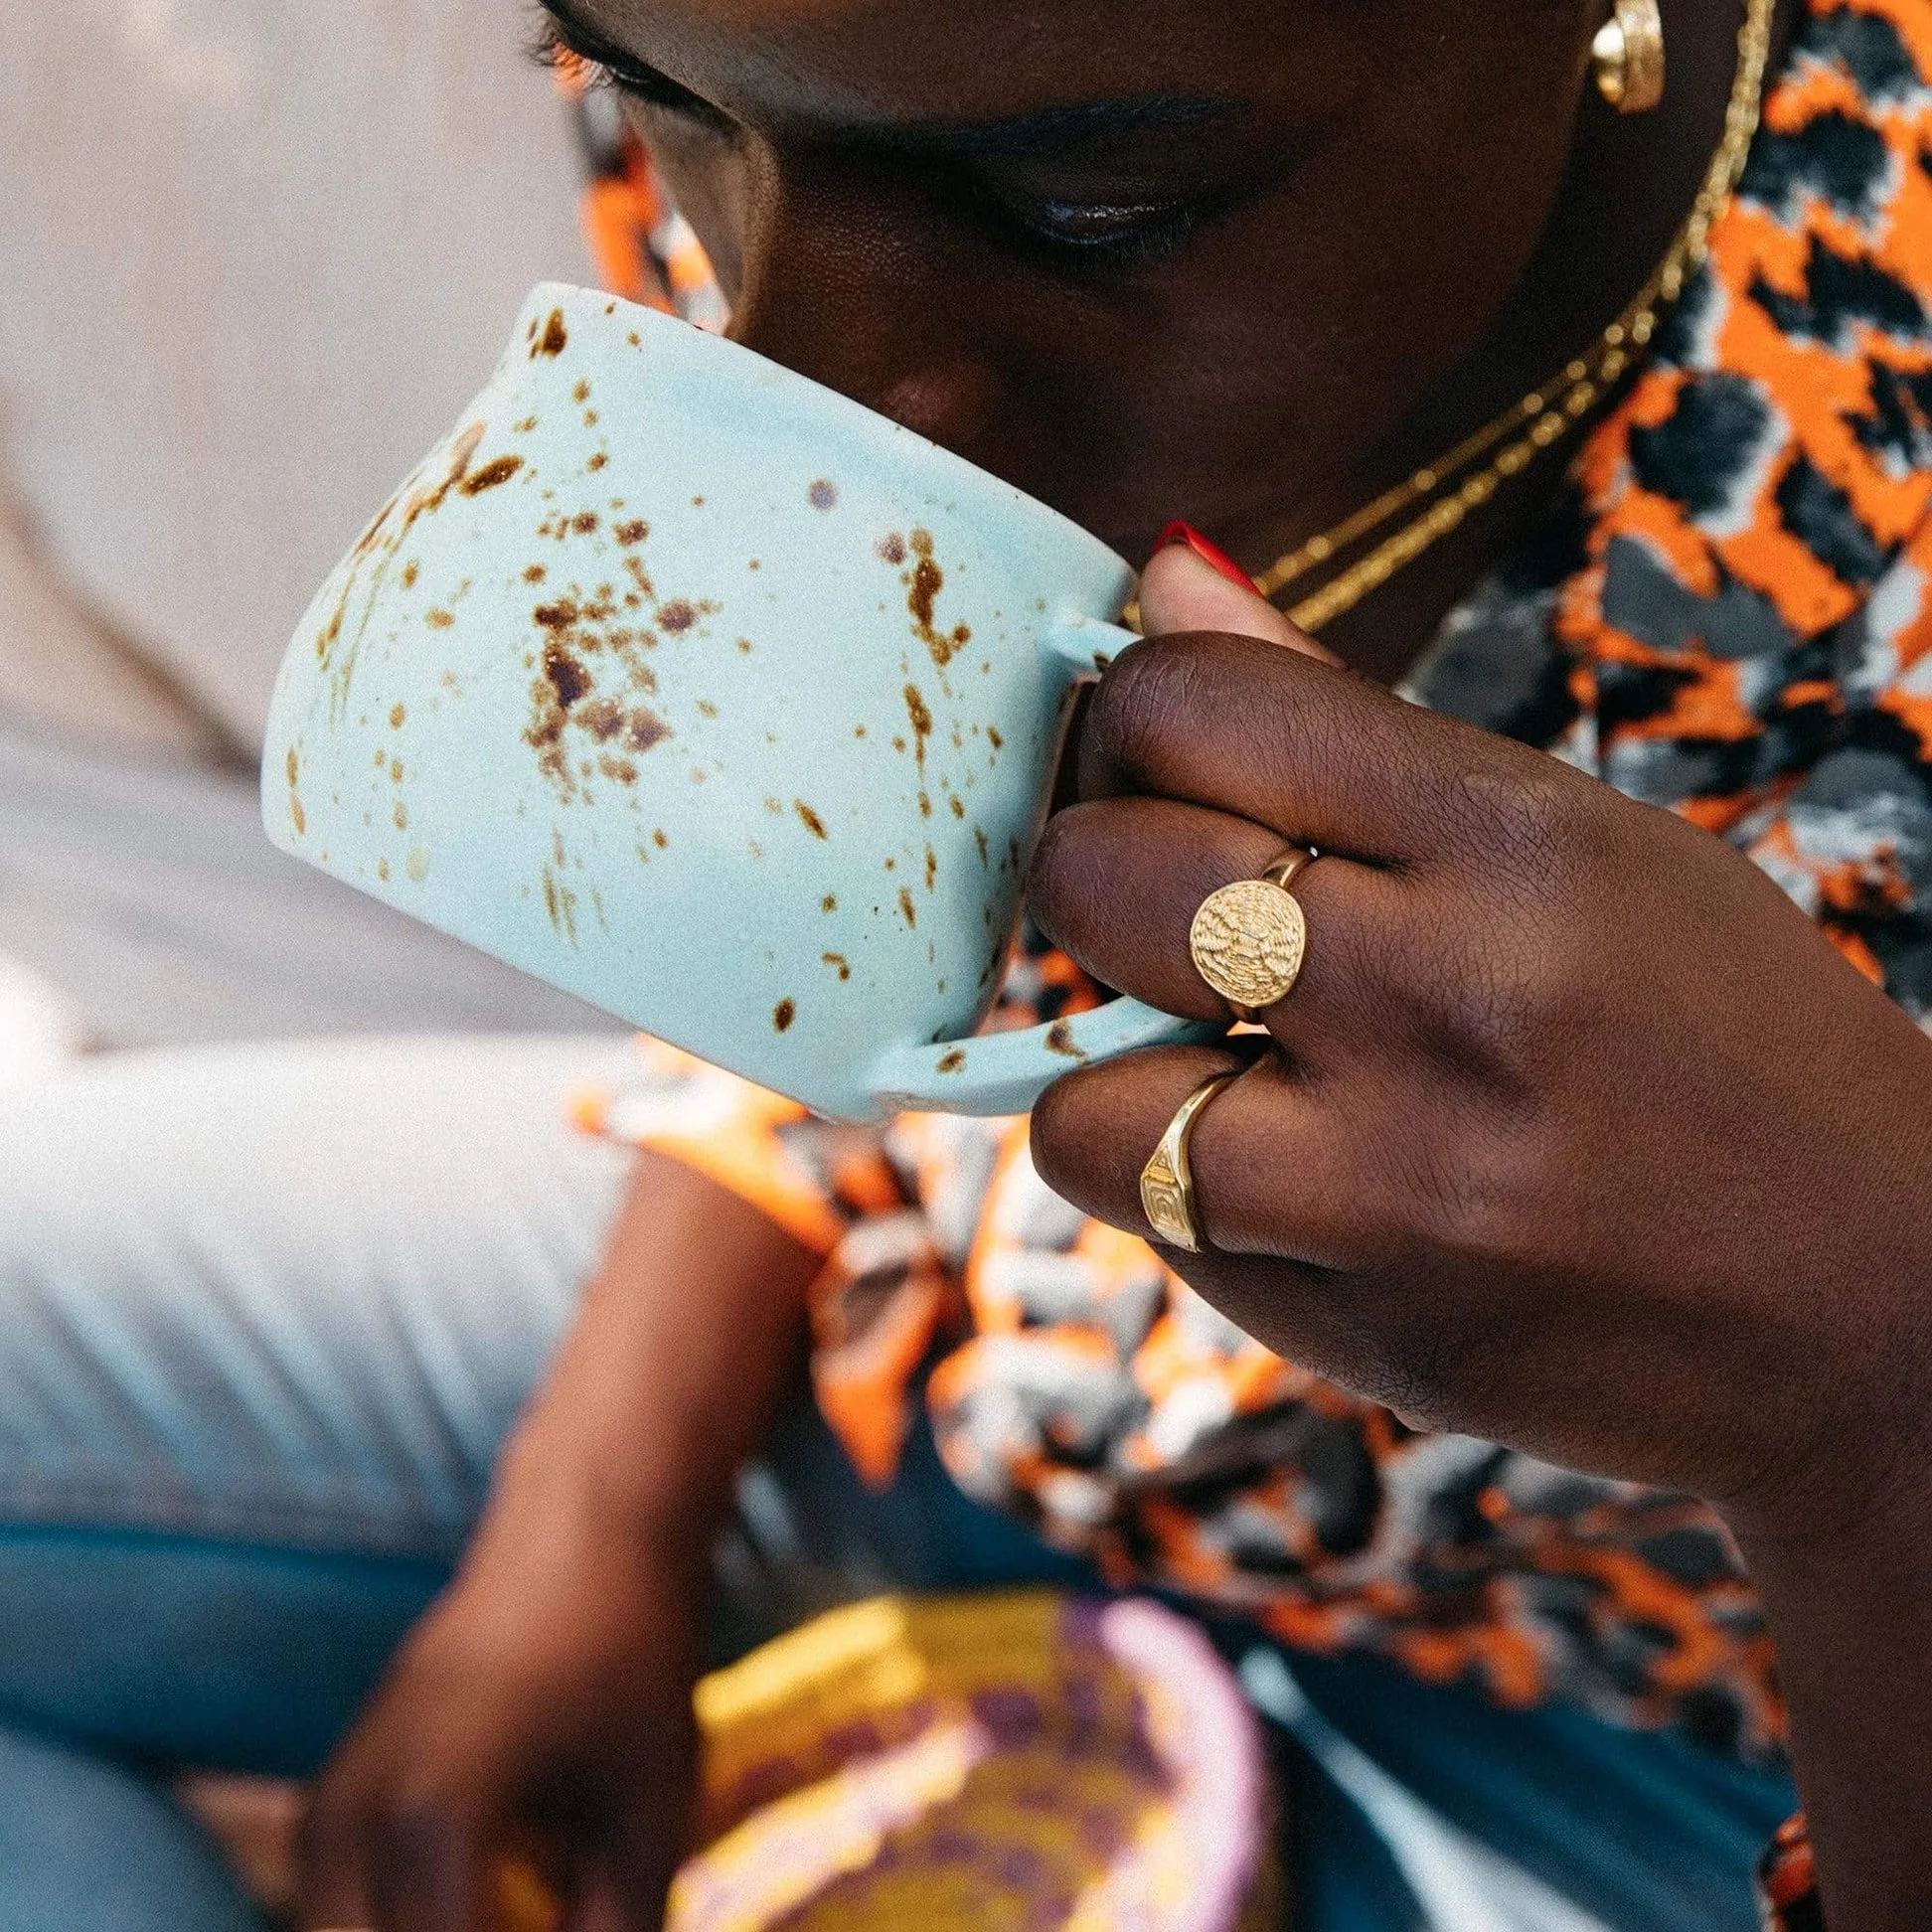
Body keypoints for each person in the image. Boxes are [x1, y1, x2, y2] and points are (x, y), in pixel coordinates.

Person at [5, 0, 1929, 1923]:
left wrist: (1868, 1390)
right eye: (649, 97)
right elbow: (842, 878)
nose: (811, 391)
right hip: (940, 1358)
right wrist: (594, 1510)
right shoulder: (837, 105)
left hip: (1669, 1734)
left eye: (1102, 205)